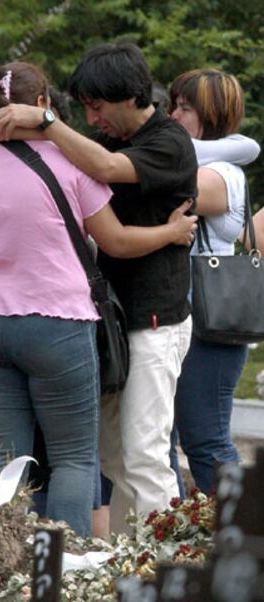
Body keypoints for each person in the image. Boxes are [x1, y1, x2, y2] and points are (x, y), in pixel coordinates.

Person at [0, 61, 197, 537]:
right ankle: (58, 576)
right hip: (57, 326)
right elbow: (117, 242)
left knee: (6, 456)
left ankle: (4, 561)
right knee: (72, 458)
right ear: (42, 105)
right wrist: (171, 230)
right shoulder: (75, 168)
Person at [0, 43, 198, 533]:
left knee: (145, 452)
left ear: (129, 96)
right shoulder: (113, 141)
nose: (91, 116)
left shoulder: (169, 142)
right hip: (112, 322)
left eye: (97, 106)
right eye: (82, 107)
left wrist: (46, 122)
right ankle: (128, 560)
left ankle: (165, 564)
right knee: (114, 455)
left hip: (156, 321)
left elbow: (104, 169)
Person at [169, 68, 254, 495]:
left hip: (210, 318)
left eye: (185, 109)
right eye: (174, 106)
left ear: (213, 115)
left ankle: (240, 533)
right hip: (177, 310)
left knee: (206, 440)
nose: (173, 117)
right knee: (166, 438)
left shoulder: (224, 174)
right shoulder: (216, 159)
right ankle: (180, 538)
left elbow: (167, 182)